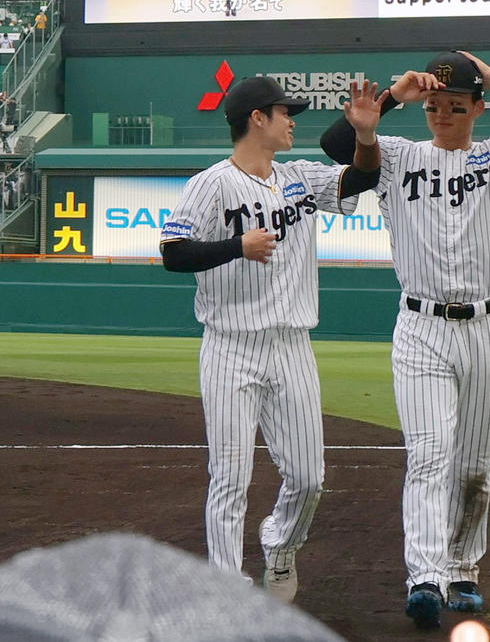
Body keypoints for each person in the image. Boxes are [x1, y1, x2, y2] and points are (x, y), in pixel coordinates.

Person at [320, 51, 490, 630]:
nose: (443, 115)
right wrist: (389, 97)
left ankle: (463, 571)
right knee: (430, 455)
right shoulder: (398, 155)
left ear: (479, 109)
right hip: (421, 327)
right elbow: (341, 149)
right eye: (434, 106)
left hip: (485, 328)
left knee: (473, 464)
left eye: (457, 106)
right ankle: (425, 577)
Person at [160, 76, 386, 603]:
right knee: (230, 478)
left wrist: (368, 134)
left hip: (292, 349)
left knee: (308, 478)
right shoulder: (211, 183)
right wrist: (237, 245)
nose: (293, 122)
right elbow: (174, 251)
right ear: (257, 118)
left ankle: (281, 546)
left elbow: (358, 181)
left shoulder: (301, 178)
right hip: (230, 347)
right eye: (286, 112)